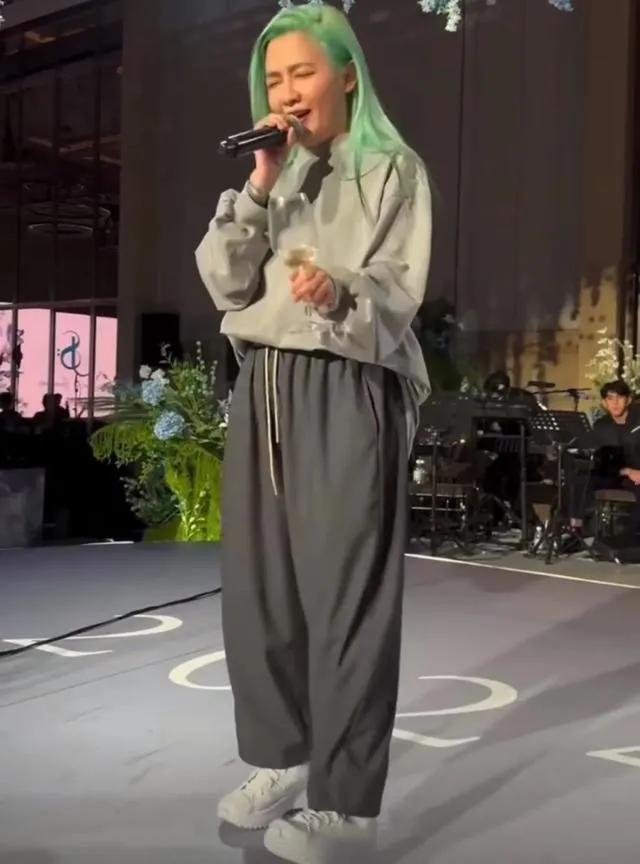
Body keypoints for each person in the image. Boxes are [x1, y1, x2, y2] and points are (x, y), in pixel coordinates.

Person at [195, 4, 431, 862]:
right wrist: (261, 184)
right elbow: (224, 282)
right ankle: (283, 758)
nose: (286, 92)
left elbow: (396, 294)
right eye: (273, 78)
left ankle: (348, 808)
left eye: (302, 73)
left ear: (347, 76)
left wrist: (337, 294)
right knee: (261, 594)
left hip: (346, 381)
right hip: (263, 381)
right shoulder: (275, 172)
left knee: (345, 603)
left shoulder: (392, 170)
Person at [592, 379, 640, 530]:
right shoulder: (601, 426)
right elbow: (600, 461)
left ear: (628, 400)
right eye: (610, 398)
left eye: (619, 397)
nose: (615, 403)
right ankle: (575, 530)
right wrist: (627, 471)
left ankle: (631, 535)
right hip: (614, 474)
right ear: (604, 402)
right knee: (579, 481)